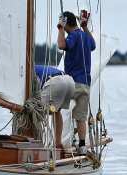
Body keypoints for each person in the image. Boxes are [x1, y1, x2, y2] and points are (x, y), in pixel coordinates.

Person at [57, 10, 96, 155]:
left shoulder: (73, 36)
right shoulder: (85, 36)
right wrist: (85, 26)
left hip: (73, 83)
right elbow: (93, 45)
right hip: (86, 84)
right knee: (81, 117)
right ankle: (82, 145)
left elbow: (61, 45)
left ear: (66, 23)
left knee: (57, 108)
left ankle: (60, 141)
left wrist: (60, 28)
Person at [35, 65, 75, 151]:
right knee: (57, 111)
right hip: (69, 81)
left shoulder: (25, 72)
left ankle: (37, 144)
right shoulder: (36, 67)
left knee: (37, 113)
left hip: (55, 82)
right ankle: (58, 143)